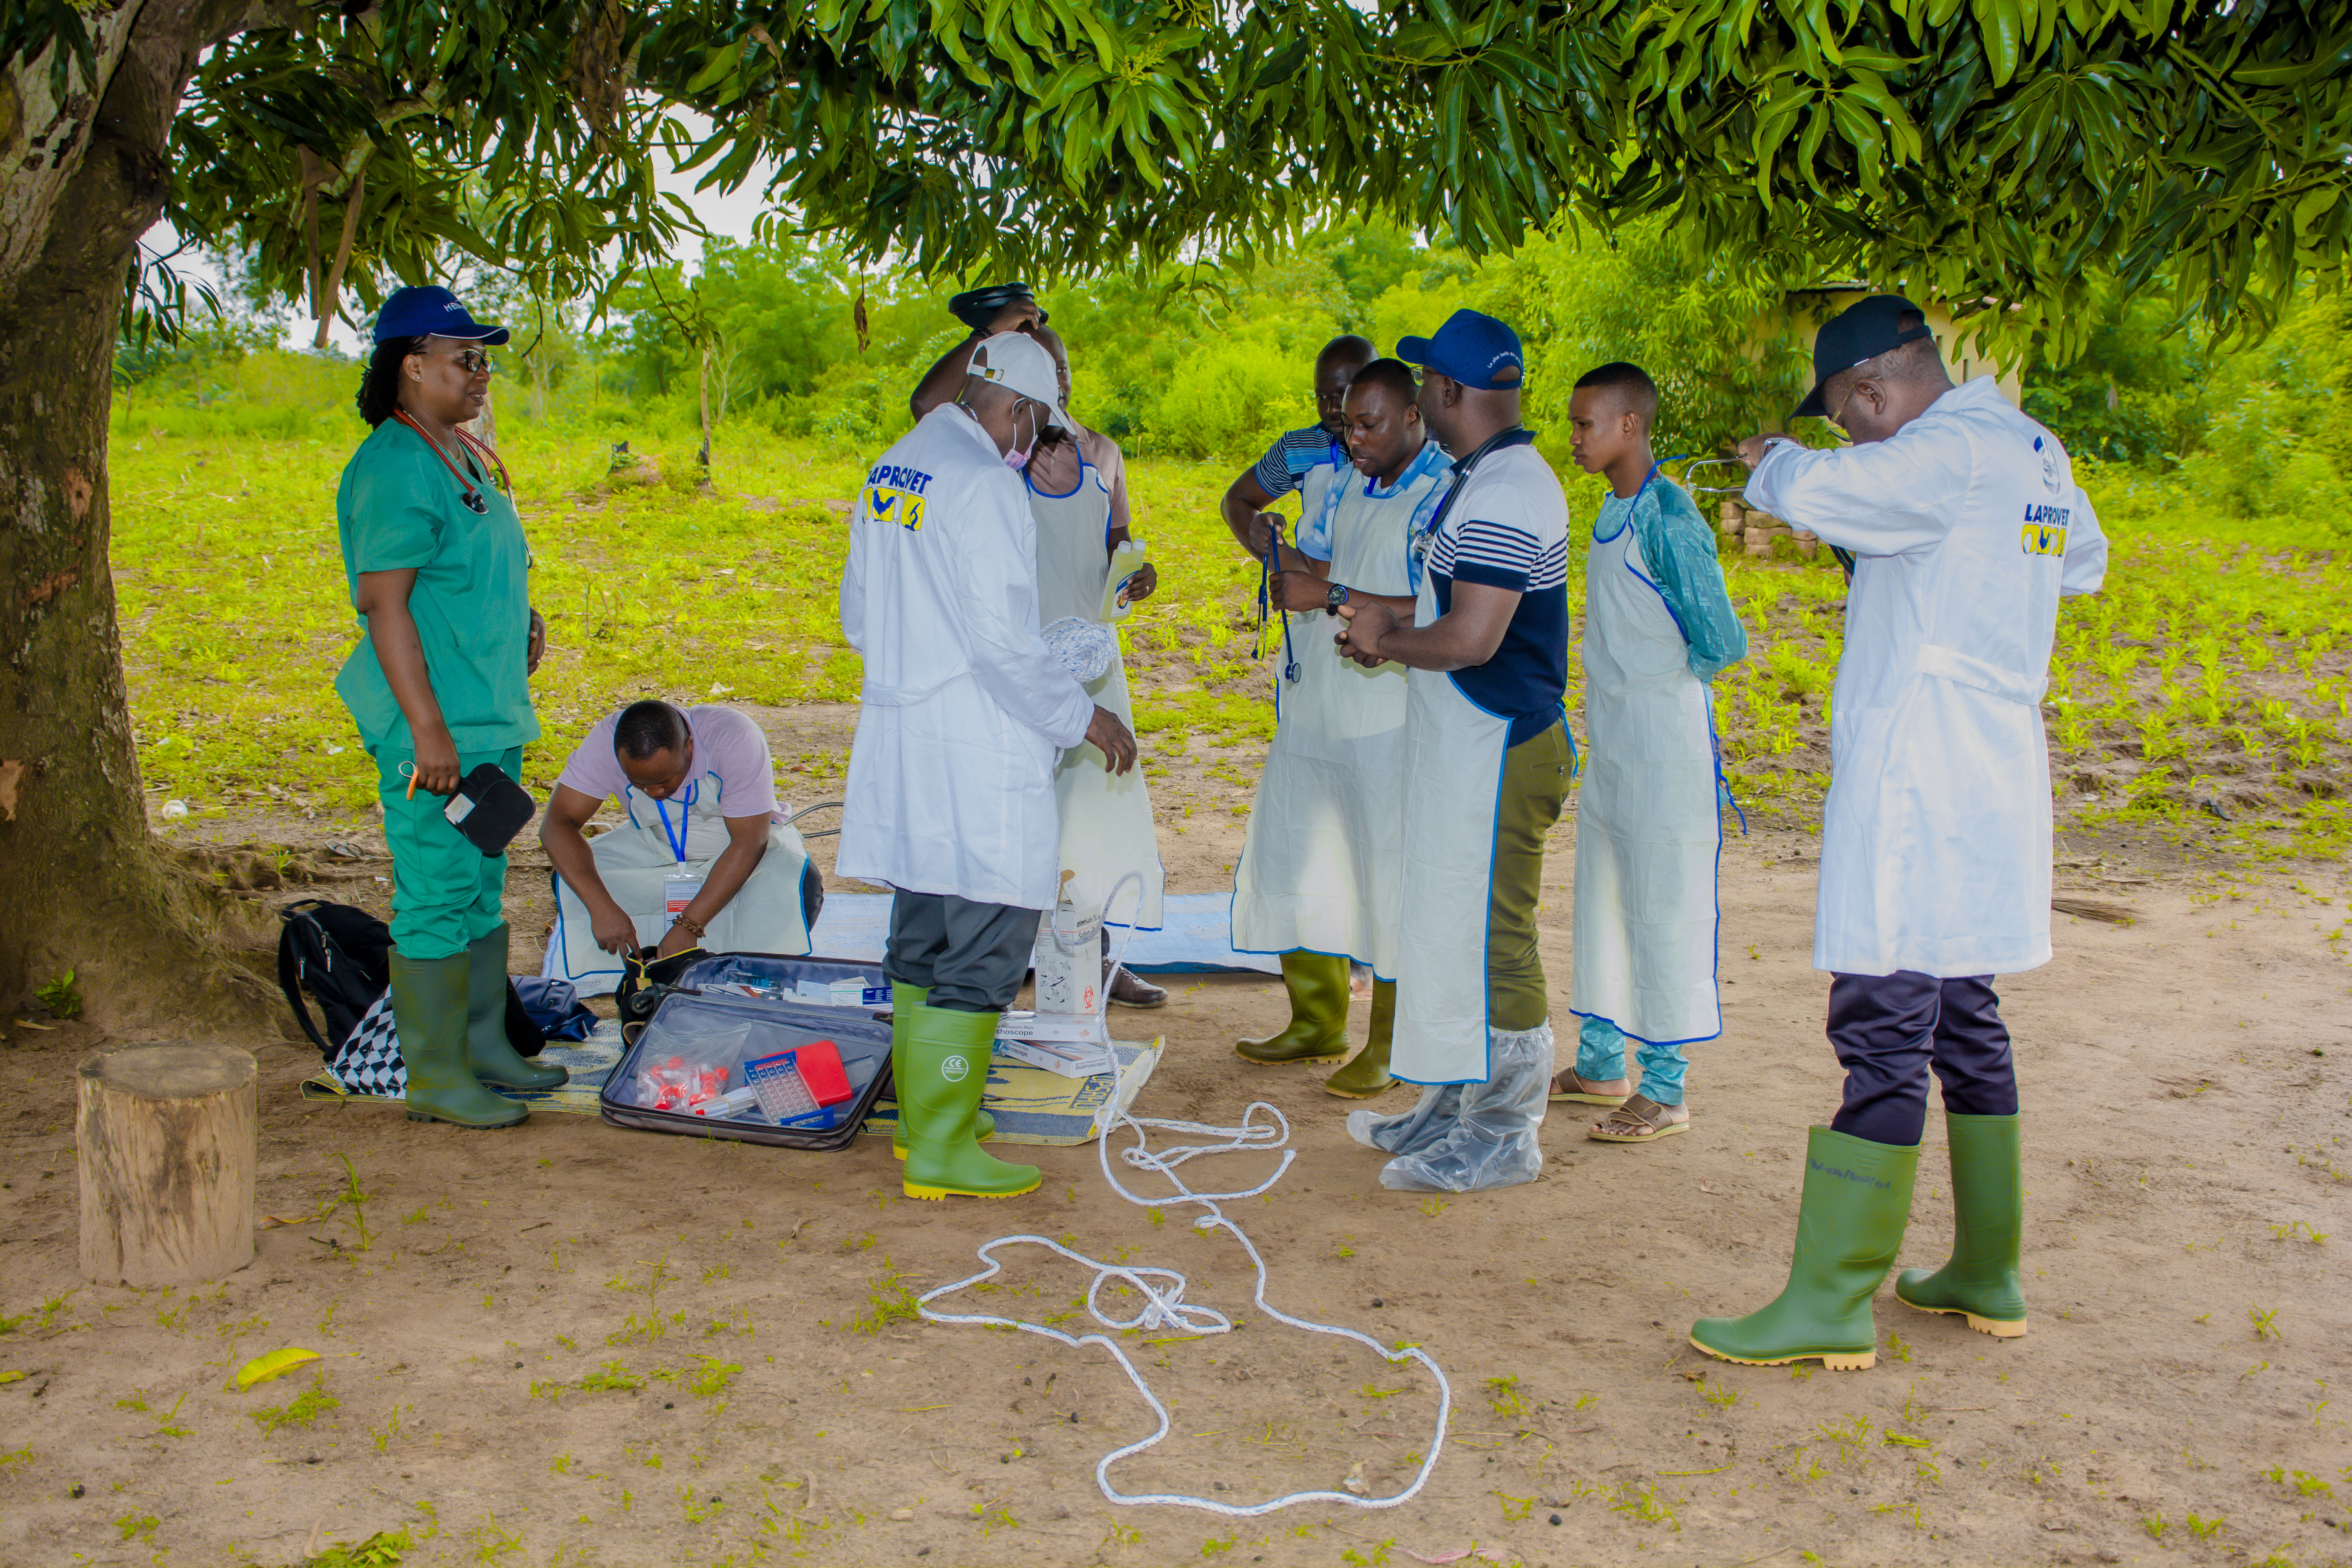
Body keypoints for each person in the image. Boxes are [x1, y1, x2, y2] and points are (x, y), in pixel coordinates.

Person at [1688, 295, 2107, 1370]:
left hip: (1921, 770)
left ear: (1872, 391)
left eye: (1844, 418)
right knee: (1966, 1010)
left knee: (1883, 1016)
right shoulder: (2035, 451)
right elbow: (2078, 562)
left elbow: (1820, 490)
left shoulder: (1945, 451)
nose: (1850, 438)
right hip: (1994, 768)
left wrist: (1774, 461)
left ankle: (1831, 1299)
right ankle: (1987, 1269)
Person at [838, 330, 1139, 1201]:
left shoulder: (897, 466)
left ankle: (926, 1124)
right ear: (1018, 408)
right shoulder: (984, 484)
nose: (1035, 441)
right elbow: (1004, 645)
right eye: (1039, 424)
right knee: (987, 936)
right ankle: (942, 1149)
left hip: (906, 738)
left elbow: (859, 613)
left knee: (921, 932)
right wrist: (1084, 715)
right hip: (976, 750)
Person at [1332, 310, 1574, 1192]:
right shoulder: (1484, 476)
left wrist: (1385, 641)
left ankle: (1505, 1129)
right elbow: (1458, 599)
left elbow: (1472, 638)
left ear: (1442, 391)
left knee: (1494, 936)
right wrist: (1385, 613)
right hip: (1471, 741)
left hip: (1501, 743)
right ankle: (1453, 1099)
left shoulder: (1507, 488)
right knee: (1448, 921)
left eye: (1425, 381)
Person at [334, 285, 565, 1129]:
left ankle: (483, 1045)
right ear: (411, 365)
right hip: (434, 728)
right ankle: (435, 1076)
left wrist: (521, 619)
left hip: (488, 715)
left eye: (484, 359)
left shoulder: (460, 451)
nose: (480, 372)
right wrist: (428, 731)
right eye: (465, 358)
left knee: (480, 883)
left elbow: (469, 569)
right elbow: (385, 604)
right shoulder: (395, 465)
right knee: (435, 890)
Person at [1230, 358, 1451, 1098]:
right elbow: (1326, 565)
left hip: (1389, 710)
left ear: (1414, 416)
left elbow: (1443, 609)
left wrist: (1327, 593)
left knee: (1385, 872)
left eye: (1367, 424)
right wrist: (1289, 564)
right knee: (1298, 853)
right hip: (1320, 696)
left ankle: (1391, 1041)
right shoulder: (1356, 476)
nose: (1351, 437)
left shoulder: (1442, 491)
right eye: (1348, 424)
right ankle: (1318, 1020)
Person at [1557, 362, 1749, 1145]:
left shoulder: (1669, 516)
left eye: (1586, 424)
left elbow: (1721, 640)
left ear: (1630, 425)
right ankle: (1603, 1063)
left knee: (1663, 906)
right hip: (1614, 743)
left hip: (1664, 744)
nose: (1574, 438)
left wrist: (1664, 689)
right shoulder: (1613, 510)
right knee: (1605, 897)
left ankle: (1666, 1088)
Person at [1017, 327, 1170, 1007]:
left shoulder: (1103, 451)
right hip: (1024, 658)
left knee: (1092, 811)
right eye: (1044, 367)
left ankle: (1096, 960)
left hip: (1093, 659)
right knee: (1027, 805)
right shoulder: (1003, 457)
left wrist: (1138, 571)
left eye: (1063, 365)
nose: (1059, 378)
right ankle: (1014, 958)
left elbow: (1118, 540)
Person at [538, 701, 820, 991]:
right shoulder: (605, 743)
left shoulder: (733, 736)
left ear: (689, 746)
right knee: (572, 876)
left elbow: (749, 843)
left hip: (737, 841)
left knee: (796, 884)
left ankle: (742, 971)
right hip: (655, 840)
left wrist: (689, 925)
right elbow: (557, 825)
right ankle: (653, 968)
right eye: (640, 783)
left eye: (664, 781)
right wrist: (602, 908)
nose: (654, 792)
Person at [1218, 335, 1377, 563]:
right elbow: (1235, 501)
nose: (1332, 409)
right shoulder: (1300, 448)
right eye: (1322, 397)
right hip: (1317, 583)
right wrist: (1283, 565)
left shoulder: (1404, 448)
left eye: (1343, 394)